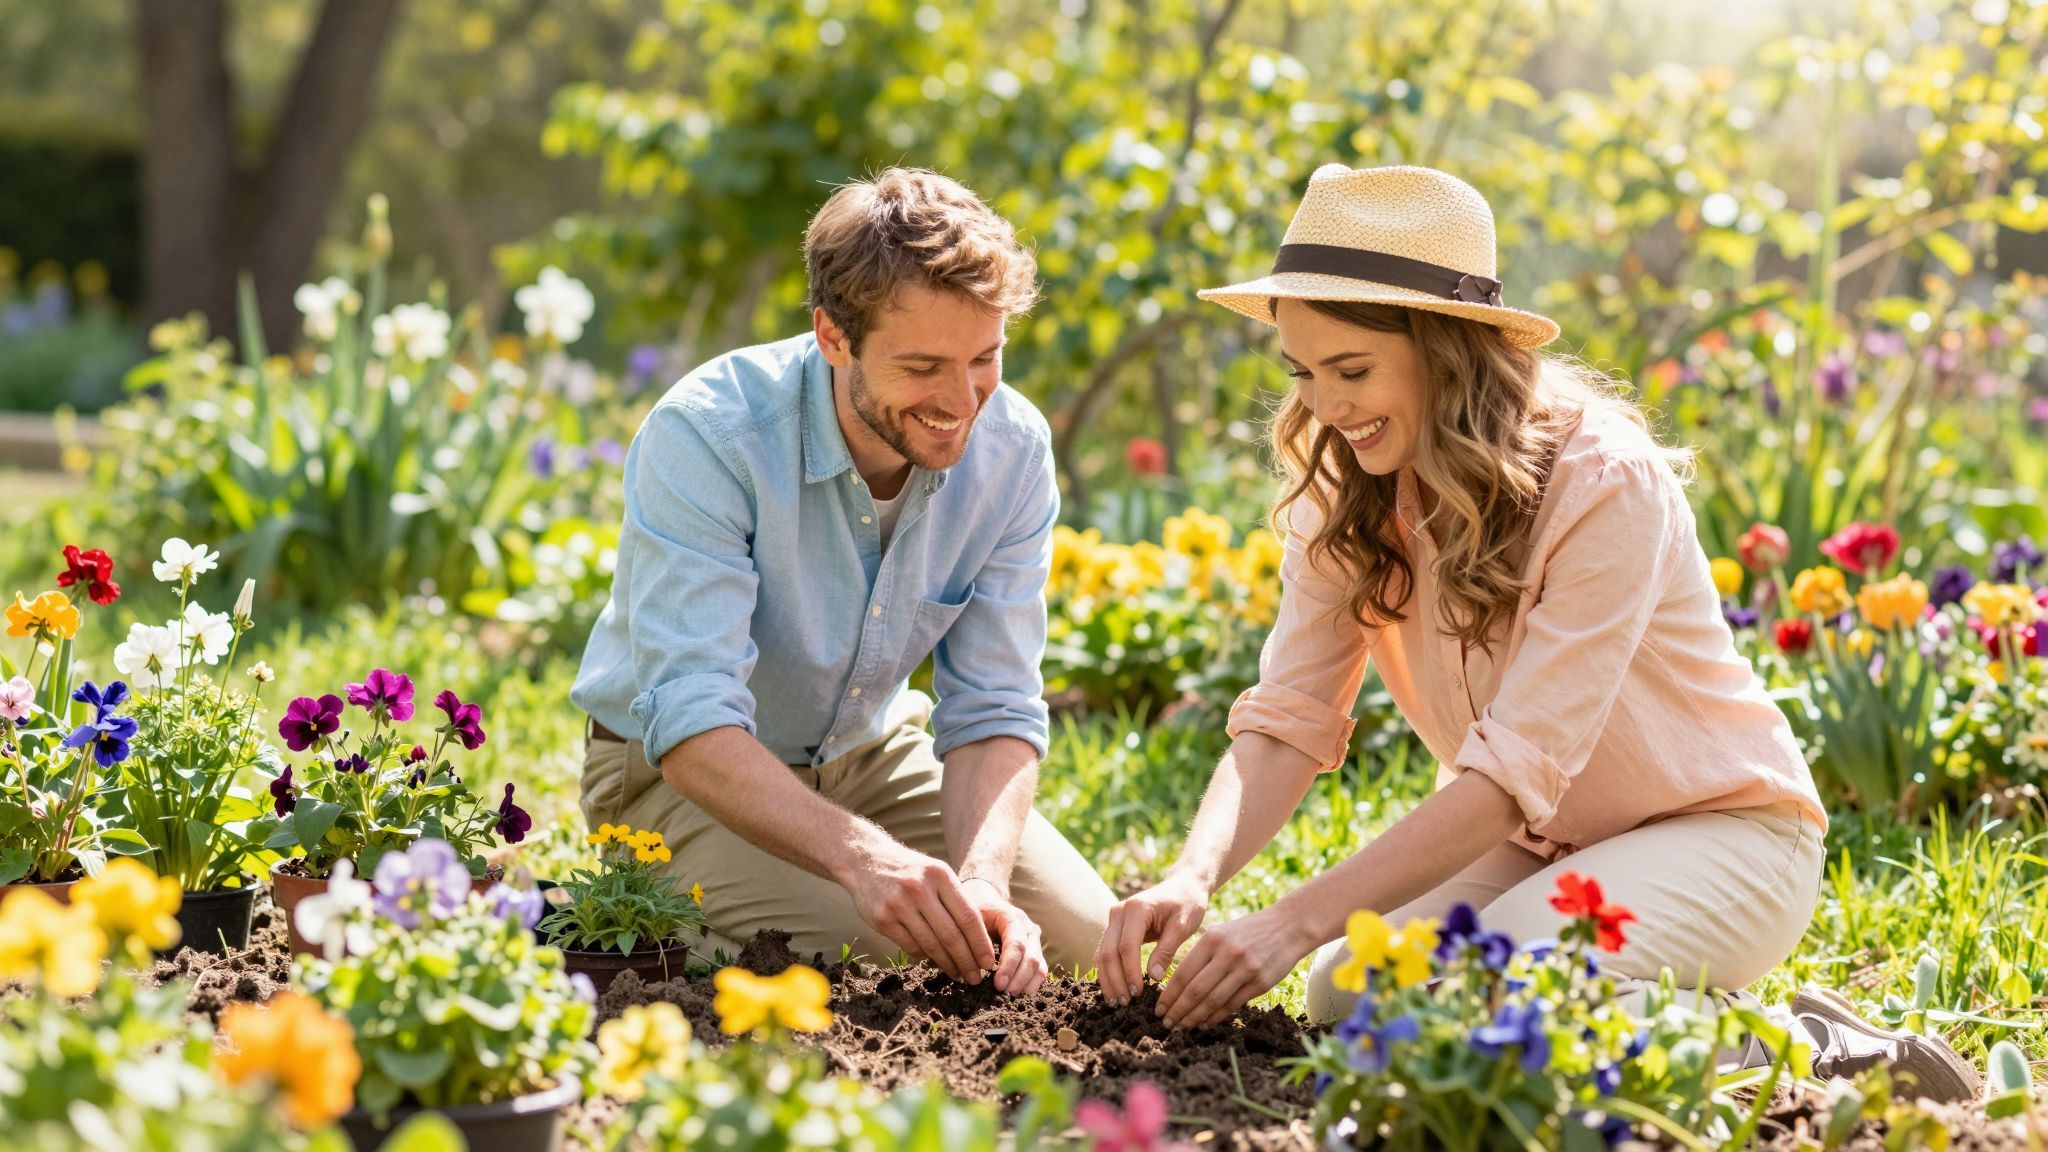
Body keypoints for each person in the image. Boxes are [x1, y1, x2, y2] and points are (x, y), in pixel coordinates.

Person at [1094, 162, 1979, 1100]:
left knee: (1518, 1007)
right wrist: (1193, 877)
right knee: (1350, 996)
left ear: (1449, 350)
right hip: (1546, 846)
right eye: (1304, 373)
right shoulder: (1345, 491)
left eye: (1351, 371)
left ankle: (1806, 1053)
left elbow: (1516, 772)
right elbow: (1288, 717)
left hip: (1725, 832)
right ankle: (1680, 1014)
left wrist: (1294, 916)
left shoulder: (1604, 481)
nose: (1324, 406)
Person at [574, 167, 1114, 995]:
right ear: (833, 336)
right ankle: (626, 921)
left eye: (986, 357)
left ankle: (765, 909)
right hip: (678, 777)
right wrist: (868, 862)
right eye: (924, 365)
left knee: (1087, 945)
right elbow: (689, 720)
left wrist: (982, 882)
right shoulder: (710, 435)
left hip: (867, 754)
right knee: (897, 956)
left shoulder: (1013, 449)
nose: (962, 399)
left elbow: (996, 705)